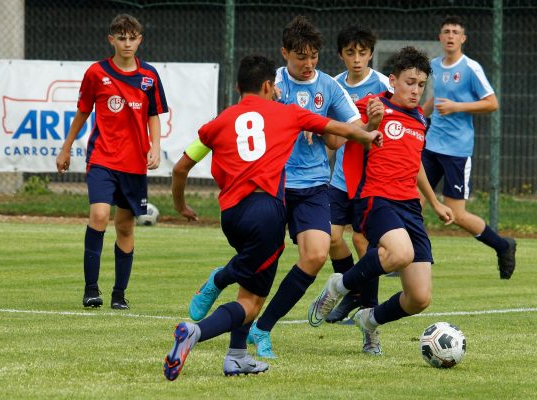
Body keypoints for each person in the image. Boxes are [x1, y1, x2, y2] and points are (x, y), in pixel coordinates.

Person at [162, 54, 382, 380]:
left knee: (250, 282)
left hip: (231, 215)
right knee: (251, 303)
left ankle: (237, 357)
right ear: (269, 85)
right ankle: (194, 332)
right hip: (265, 213)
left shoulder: (218, 121)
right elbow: (334, 128)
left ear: (237, 87)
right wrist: (367, 135)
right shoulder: (287, 113)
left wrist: (180, 205)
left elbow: (181, 168)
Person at [307, 46, 454, 354]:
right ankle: (339, 286)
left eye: (421, 85)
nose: (415, 90)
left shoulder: (419, 121)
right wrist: (371, 125)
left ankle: (369, 319)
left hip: (409, 207)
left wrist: (435, 201)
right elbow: (344, 136)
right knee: (399, 253)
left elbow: (415, 166)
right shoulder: (371, 106)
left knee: (419, 297)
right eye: (409, 82)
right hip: (375, 197)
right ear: (392, 81)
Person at [55, 14, 168, 309]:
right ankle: (91, 290)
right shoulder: (96, 73)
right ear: (111, 40)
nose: (127, 43)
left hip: (133, 165)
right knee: (99, 216)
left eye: (132, 38)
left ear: (140, 40)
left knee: (126, 227)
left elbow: (153, 115)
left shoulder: (150, 76)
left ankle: (119, 294)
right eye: (121, 38)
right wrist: (65, 148)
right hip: (102, 158)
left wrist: (155, 147)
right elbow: (82, 112)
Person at [422, 15, 516, 279]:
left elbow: (492, 103)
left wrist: (457, 107)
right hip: (431, 146)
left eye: (455, 32)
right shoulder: (434, 66)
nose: (450, 36)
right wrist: (418, 116)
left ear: (463, 38)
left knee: (457, 215)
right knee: (411, 200)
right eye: (446, 31)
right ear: (440, 38)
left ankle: (502, 245)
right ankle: (415, 256)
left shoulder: (471, 68)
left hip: (457, 151)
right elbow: (434, 99)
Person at [324, 25, 392, 355]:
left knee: (363, 242)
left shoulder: (381, 86)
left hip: (370, 180)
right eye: (350, 53)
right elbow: (330, 132)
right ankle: (350, 289)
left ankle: (370, 330)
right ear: (341, 55)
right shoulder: (334, 86)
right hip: (340, 178)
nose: (356, 59)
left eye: (362, 53)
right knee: (331, 237)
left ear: (370, 54)